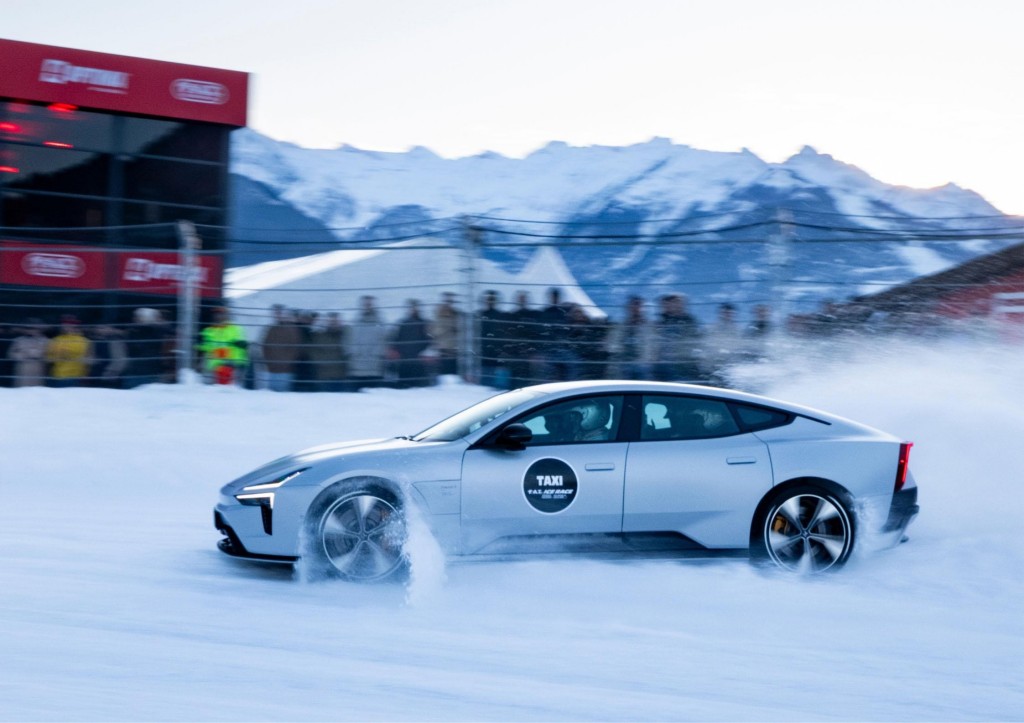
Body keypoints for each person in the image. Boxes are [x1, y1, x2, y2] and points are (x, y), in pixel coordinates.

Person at [652, 293, 702, 382]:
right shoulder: (662, 321)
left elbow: (694, 339)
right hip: (664, 362)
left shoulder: (688, 320)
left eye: (677, 303)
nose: (672, 306)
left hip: (682, 361)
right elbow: (656, 341)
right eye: (667, 304)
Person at [198, 307, 248, 385]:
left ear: (227, 315)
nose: (218, 316)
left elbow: (244, 344)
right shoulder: (209, 331)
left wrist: (242, 344)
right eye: (216, 314)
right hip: (214, 367)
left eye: (221, 314)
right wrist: (199, 344)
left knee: (231, 388)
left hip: (232, 365)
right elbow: (206, 347)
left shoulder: (236, 329)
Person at [347, 296, 388, 389]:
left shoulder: (380, 322)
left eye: (369, 304)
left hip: (375, 368)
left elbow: (385, 340)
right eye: (365, 304)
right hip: (357, 368)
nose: (367, 306)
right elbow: (349, 341)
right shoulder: (355, 322)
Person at [259, 305, 303, 391]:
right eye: (275, 313)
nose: (277, 315)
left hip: (285, 370)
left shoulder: (292, 329)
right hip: (272, 370)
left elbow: (296, 349)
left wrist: (287, 363)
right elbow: (265, 346)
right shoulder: (271, 329)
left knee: (283, 395)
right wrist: (268, 362)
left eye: (279, 313)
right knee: (272, 394)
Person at [610, 295, 655, 380]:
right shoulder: (621, 326)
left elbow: (652, 345)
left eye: (638, 305)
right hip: (624, 363)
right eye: (633, 305)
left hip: (643, 363)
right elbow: (613, 344)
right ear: (628, 308)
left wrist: (649, 359)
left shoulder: (649, 326)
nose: (636, 308)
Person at [125, 308, 170, 388]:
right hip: (151, 370)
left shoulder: (135, 332)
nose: (134, 319)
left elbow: (132, 350)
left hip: (141, 371)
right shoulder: (161, 332)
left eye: (138, 317)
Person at [391, 299, 431, 388]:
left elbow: (428, 340)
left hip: (418, 361)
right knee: (404, 386)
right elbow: (397, 339)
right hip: (404, 361)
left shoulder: (424, 323)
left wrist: (423, 352)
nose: (413, 309)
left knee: (418, 387)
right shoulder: (403, 324)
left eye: (415, 307)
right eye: (411, 307)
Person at [507, 290, 543, 388]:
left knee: (528, 378)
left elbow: (535, 333)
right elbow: (510, 334)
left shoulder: (532, 315)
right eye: (520, 299)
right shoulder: (512, 315)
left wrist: (534, 352)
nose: (522, 300)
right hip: (515, 352)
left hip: (529, 352)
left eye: (523, 299)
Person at [46, 315, 92, 387]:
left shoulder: (84, 341)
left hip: (76, 377)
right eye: (64, 325)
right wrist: (57, 357)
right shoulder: (55, 340)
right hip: (58, 375)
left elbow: (89, 360)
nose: (66, 327)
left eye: (70, 325)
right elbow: (48, 358)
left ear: (76, 326)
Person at [478, 290, 510, 388]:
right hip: (484, 350)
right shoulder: (480, 314)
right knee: (485, 380)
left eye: (492, 299)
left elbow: (504, 333)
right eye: (488, 299)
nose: (490, 301)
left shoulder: (501, 315)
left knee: (498, 382)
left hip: (497, 350)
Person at [309, 311, 348, 392]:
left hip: (340, 376)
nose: (333, 324)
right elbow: (313, 352)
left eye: (336, 321)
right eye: (331, 321)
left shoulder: (344, 335)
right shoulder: (319, 336)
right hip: (324, 376)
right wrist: (323, 361)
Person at [7, 319, 48, 387]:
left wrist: (36, 354)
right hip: (22, 368)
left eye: (33, 328)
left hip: (37, 368)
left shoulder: (45, 341)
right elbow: (10, 354)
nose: (30, 330)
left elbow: (49, 355)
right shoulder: (18, 340)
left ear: (39, 329)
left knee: (37, 389)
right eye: (28, 328)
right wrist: (21, 356)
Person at [89, 324, 128, 388]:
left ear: (110, 329)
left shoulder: (115, 340)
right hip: (96, 375)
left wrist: (110, 372)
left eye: (103, 328)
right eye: (98, 328)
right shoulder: (95, 340)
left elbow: (121, 361)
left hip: (110, 376)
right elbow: (91, 357)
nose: (100, 330)